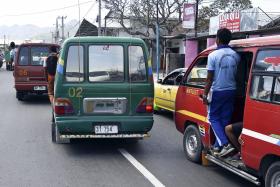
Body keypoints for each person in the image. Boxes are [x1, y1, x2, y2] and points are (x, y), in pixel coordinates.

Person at [202, 28, 240, 157]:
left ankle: (225, 144)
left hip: (218, 91)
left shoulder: (213, 55)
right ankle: (218, 146)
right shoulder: (236, 55)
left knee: (213, 117)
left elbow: (209, 78)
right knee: (225, 119)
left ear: (217, 39)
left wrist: (204, 94)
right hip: (232, 90)